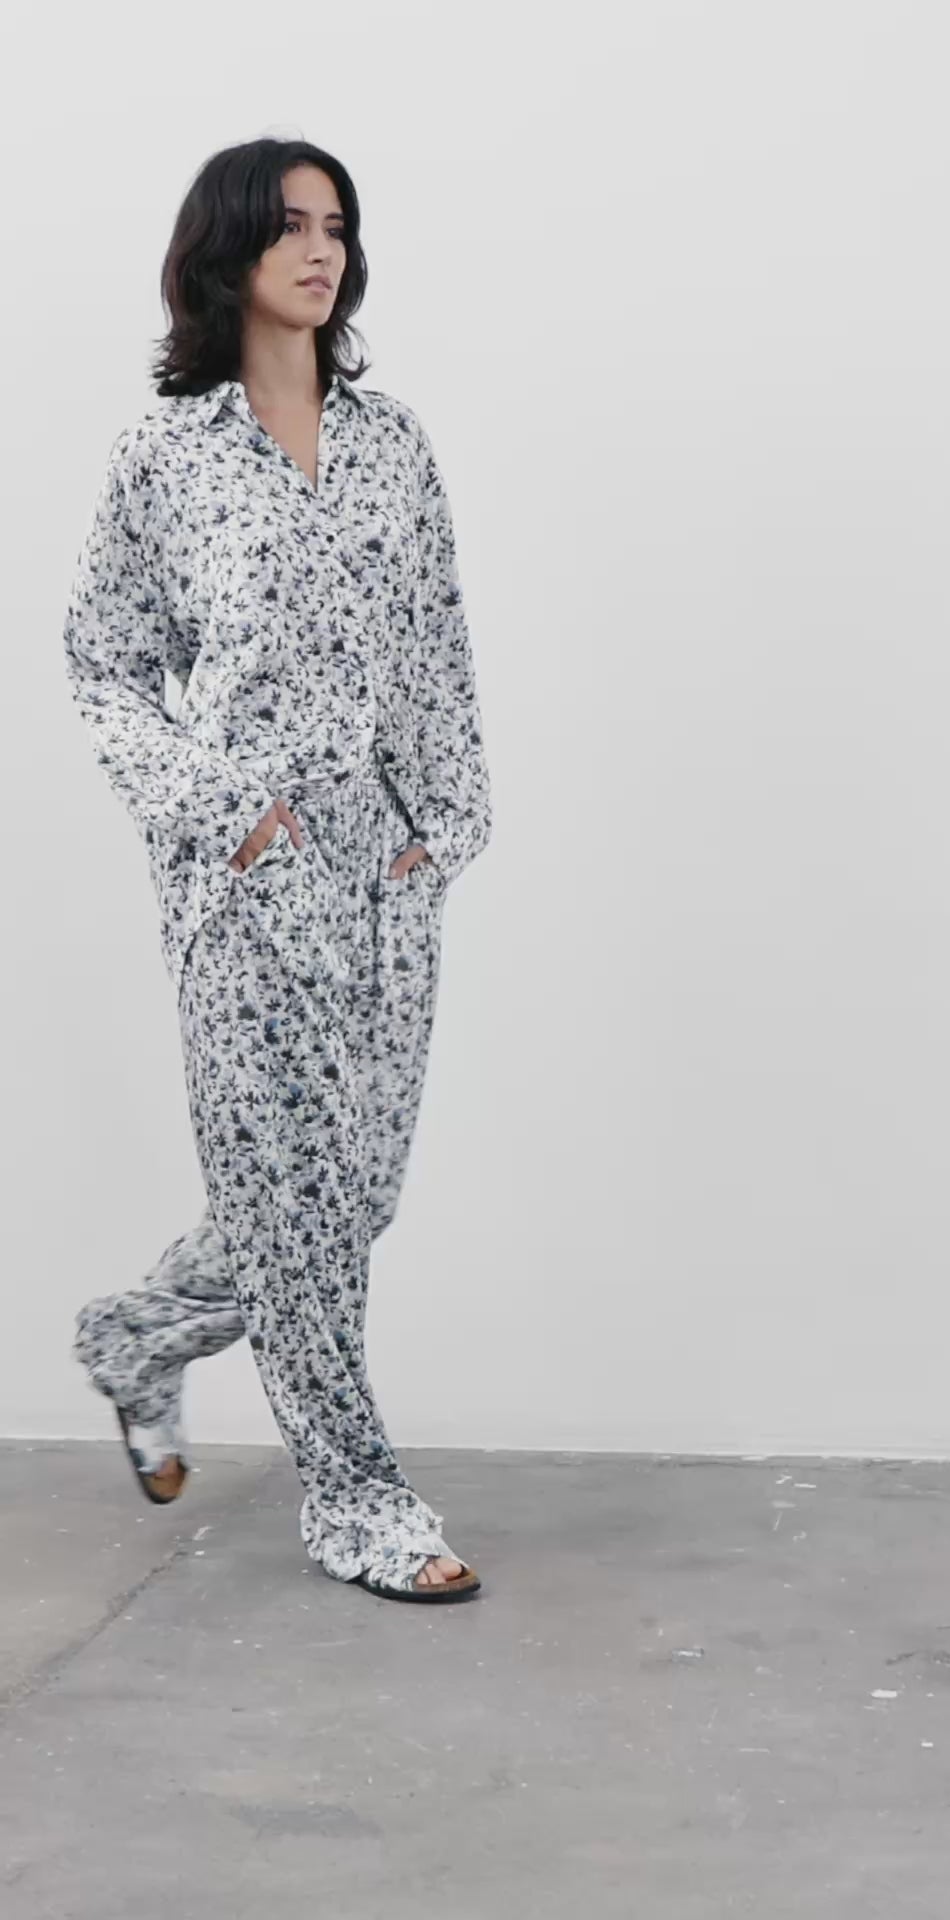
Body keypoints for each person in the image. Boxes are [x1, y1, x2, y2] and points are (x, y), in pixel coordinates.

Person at [62, 137, 493, 1605]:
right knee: (293, 1199)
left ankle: (138, 1334)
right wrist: (218, 810)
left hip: (385, 866)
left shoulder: (395, 444)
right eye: (292, 226)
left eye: (338, 227)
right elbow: (104, 666)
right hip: (242, 875)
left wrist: (445, 824)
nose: (322, 250)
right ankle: (356, 1500)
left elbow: (435, 643)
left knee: (347, 1197)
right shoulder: (164, 457)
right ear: (228, 250)